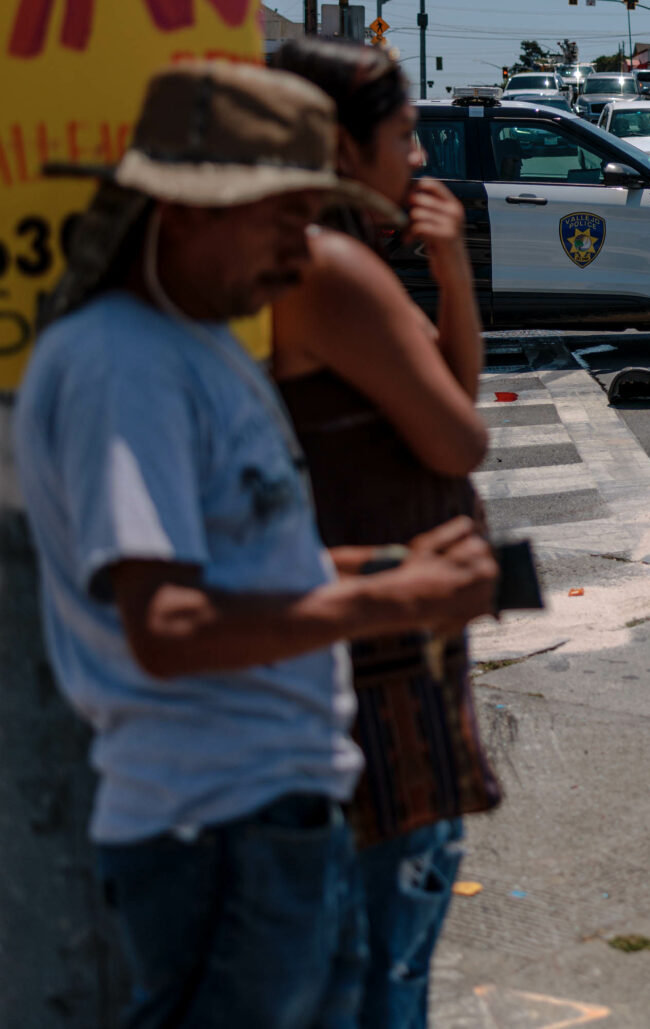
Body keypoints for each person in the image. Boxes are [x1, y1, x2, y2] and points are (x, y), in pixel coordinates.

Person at [14, 61, 498, 1028]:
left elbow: (246, 564)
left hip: (265, 815)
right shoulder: (124, 361)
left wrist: (399, 568)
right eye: (284, 217)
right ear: (190, 210)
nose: (301, 247)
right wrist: (391, 598)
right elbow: (168, 623)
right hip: (217, 825)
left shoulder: (190, 347)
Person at [266, 37, 495, 1029]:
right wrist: (445, 266)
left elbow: (450, 407)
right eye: (403, 137)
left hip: (340, 647)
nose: (417, 161)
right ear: (337, 146)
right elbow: (459, 437)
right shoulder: (328, 268)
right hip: (379, 676)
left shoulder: (298, 255)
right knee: (381, 972)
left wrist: (444, 269)